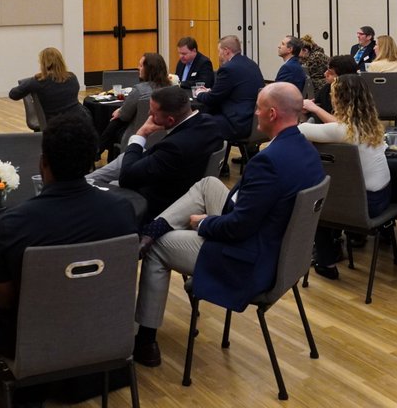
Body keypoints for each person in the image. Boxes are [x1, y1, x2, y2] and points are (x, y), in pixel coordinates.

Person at [0, 113, 137, 408]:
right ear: (90, 162)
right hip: (104, 330)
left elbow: (5, 301)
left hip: (29, 337)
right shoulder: (122, 210)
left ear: (43, 162)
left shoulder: (14, 225)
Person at [132, 83, 324, 367]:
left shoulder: (268, 161)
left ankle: (145, 341)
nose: (254, 113)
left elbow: (238, 229)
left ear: (271, 114)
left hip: (250, 260)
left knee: (158, 249)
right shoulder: (306, 150)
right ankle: (154, 228)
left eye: (258, 107)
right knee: (209, 184)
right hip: (281, 252)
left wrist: (205, 223)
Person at [300, 74, 392, 280]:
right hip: (382, 198)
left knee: (317, 201)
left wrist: (312, 109)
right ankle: (334, 249)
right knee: (335, 193)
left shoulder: (342, 131)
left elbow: (300, 130)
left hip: (362, 206)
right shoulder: (373, 126)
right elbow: (341, 128)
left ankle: (326, 260)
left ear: (338, 99)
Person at [112, 85, 224, 220]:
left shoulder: (174, 147)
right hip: (183, 185)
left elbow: (126, 178)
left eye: (154, 113)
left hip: (158, 206)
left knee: (110, 184)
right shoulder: (210, 122)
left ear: (170, 120)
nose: (148, 115)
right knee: (118, 164)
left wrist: (141, 134)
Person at [193, 35, 265, 140]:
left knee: (198, 122)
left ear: (226, 51)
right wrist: (212, 91)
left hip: (237, 123)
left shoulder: (228, 69)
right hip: (255, 121)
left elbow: (212, 99)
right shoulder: (251, 64)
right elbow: (236, 91)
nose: (218, 55)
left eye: (219, 51)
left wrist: (199, 93)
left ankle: (210, 156)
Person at [106, 53, 171, 153]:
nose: (138, 68)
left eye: (141, 66)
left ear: (149, 69)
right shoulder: (172, 90)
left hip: (138, 138)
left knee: (115, 122)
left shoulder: (139, 90)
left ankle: (102, 154)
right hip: (165, 138)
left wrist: (120, 111)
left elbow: (125, 116)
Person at [8, 47, 80, 122]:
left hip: (55, 124)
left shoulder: (38, 82)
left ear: (43, 64)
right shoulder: (72, 77)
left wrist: (32, 80)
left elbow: (13, 94)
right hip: (79, 120)